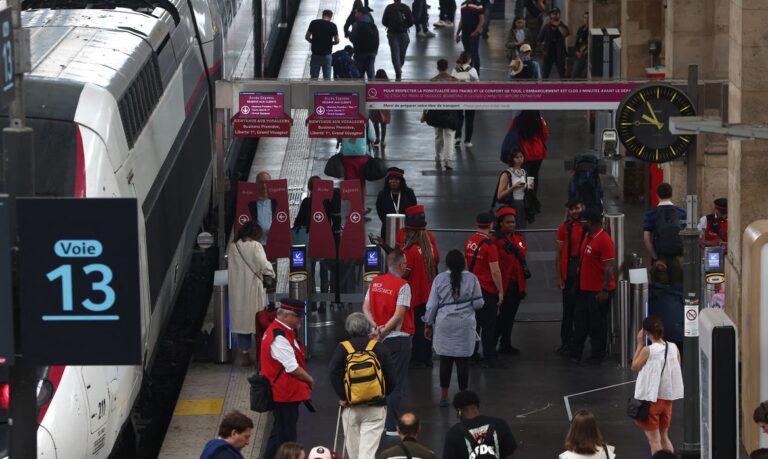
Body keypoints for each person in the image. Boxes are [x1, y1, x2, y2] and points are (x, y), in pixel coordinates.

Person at [329, 313, 396, 459]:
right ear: (367, 328)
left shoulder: (343, 348)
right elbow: (392, 377)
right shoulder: (378, 347)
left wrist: (344, 397)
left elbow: (333, 373)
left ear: (348, 329)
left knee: (353, 453)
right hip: (375, 407)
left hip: (350, 407)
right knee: (367, 453)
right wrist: (382, 395)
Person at [362, 249, 413, 436]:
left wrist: (376, 327)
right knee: (395, 382)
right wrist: (385, 331)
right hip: (398, 340)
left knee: (378, 380)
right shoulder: (403, 286)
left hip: (377, 340)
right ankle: (391, 425)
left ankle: (375, 421)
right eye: (405, 262)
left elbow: (365, 307)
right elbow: (399, 314)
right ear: (401, 265)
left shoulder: (375, 282)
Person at [424, 250, 484, 406]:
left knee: (445, 360)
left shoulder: (439, 279)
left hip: (445, 324)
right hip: (465, 325)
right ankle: (463, 396)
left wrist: (428, 323)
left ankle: (444, 397)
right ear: (463, 262)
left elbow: (431, 305)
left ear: (447, 263)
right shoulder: (472, 279)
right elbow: (478, 303)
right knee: (463, 361)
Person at [260, 299, 314, 459]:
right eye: (298, 316)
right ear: (287, 316)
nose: (300, 320)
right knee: (287, 437)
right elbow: (292, 367)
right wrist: (309, 379)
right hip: (284, 394)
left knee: (278, 433)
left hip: (285, 393)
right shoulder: (279, 336)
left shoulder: (281, 331)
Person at [631, 315, 684, 455]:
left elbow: (635, 366)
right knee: (664, 437)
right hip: (667, 400)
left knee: (654, 441)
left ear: (646, 333)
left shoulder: (648, 350)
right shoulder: (673, 348)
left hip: (651, 401)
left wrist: (639, 344)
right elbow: (677, 368)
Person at [570, 208, 615, 364]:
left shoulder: (604, 240)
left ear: (590, 222)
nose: (580, 223)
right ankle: (576, 352)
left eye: (583, 220)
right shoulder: (588, 237)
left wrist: (604, 289)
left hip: (597, 291)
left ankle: (598, 355)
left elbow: (609, 267)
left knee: (597, 324)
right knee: (581, 321)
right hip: (585, 289)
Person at [227, 221, 275, 366]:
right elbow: (264, 265)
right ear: (255, 234)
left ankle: (244, 355)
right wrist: (271, 273)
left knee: (242, 323)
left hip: (237, 290)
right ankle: (261, 356)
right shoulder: (255, 246)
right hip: (253, 289)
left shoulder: (233, 247)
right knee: (258, 321)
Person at [464, 212, 504, 367]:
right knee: (488, 324)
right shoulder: (489, 245)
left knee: (474, 323)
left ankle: (472, 353)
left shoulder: (469, 242)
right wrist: (500, 291)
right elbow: (495, 271)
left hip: (472, 289)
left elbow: (467, 266)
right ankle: (489, 356)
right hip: (486, 290)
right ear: (491, 225)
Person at [400, 215, 437, 369]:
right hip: (429, 294)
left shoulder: (410, 251)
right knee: (427, 326)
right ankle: (427, 358)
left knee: (415, 328)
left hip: (414, 295)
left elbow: (405, 273)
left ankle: (416, 360)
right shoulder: (430, 249)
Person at [493, 207, 528, 356]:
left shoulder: (518, 238)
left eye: (513, 222)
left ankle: (504, 343)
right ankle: (494, 341)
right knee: (505, 316)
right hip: (502, 284)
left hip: (516, 283)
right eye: (508, 222)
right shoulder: (494, 240)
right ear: (500, 224)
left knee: (509, 315)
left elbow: (522, 253)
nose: (512, 225)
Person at [443, 390, 518, 459]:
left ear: (459, 411)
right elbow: (510, 456)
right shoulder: (500, 424)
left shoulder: (454, 433)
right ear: (477, 406)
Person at [555, 198, 585, 355]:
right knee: (568, 311)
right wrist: (559, 276)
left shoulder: (587, 226)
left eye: (577, 208)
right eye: (572, 209)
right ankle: (566, 342)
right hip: (570, 273)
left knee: (580, 312)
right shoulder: (564, 228)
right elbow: (558, 254)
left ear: (582, 207)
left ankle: (577, 343)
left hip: (583, 273)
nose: (575, 211)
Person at [643, 183, 687, 285]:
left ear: (657, 195)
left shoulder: (651, 214)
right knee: (678, 289)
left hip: (660, 258)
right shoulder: (682, 213)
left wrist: (656, 259)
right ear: (671, 195)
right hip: (679, 258)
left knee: (661, 289)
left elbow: (646, 239)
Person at [421, 59, 458, 170]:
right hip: (450, 111)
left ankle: (438, 157)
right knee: (449, 137)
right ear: (447, 67)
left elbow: (427, 100)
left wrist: (424, 114)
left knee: (438, 136)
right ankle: (448, 161)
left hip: (436, 112)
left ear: (437, 67)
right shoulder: (454, 80)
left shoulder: (432, 81)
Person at [509, 110, 548, 191]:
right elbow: (545, 136)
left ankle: (522, 194)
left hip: (522, 153)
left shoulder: (516, 120)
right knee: (533, 175)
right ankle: (532, 194)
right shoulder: (540, 120)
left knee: (521, 175)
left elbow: (511, 135)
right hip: (537, 153)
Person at [375, 167, 418, 237]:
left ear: (401, 181)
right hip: (388, 229)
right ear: (388, 181)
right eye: (391, 179)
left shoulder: (409, 193)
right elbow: (379, 210)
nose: (393, 182)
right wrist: (386, 222)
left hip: (406, 229)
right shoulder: (382, 194)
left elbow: (413, 209)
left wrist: (407, 223)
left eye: (396, 179)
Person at [451, 51, 479, 148]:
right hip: (470, 98)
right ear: (469, 60)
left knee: (459, 117)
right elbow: (477, 84)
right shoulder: (473, 70)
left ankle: (457, 137)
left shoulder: (455, 70)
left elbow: (451, 82)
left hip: (458, 97)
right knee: (469, 119)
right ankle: (467, 141)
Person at [495, 149, 528, 229]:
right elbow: (499, 196)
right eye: (517, 157)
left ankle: (520, 241)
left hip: (523, 203)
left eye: (521, 157)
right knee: (514, 227)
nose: (520, 159)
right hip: (512, 203)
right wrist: (513, 188)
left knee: (522, 226)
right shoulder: (507, 174)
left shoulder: (524, 172)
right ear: (512, 159)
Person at [382, 0, 414, 81]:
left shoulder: (389, 7)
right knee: (401, 55)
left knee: (395, 54)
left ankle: (398, 73)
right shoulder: (405, 7)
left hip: (392, 34)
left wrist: (390, 25)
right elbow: (411, 22)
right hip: (403, 34)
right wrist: (404, 26)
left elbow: (384, 21)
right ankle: (399, 69)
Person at [305, 10, 340, 79]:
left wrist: (314, 42)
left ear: (323, 15)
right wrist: (330, 43)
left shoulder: (314, 23)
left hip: (315, 54)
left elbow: (307, 37)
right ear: (330, 17)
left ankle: (313, 89)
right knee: (327, 78)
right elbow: (337, 41)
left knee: (314, 78)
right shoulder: (333, 26)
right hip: (327, 55)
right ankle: (325, 89)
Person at [537, 7, 569, 79]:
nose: (555, 15)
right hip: (548, 54)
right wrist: (542, 50)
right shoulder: (546, 26)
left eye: (556, 14)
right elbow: (539, 39)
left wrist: (558, 25)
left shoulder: (562, 25)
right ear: (550, 15)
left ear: (559, 15)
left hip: (560, 54)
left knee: (562, 74)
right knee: (545, 74)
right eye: (553, 14)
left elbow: (565, 34)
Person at [455, 0, 484, 74]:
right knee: (467, 54)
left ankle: (476, 73)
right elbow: (462, 20)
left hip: (473, 34)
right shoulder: (463, 5)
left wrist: (476, 32)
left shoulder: (478, 4)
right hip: (465, 34)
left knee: (474, 53)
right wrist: (458, 33)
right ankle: (468, 71)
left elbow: (481, 20)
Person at [350, 6, 379, 79]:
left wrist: (349, 35)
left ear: (360, 13)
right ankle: (373, 88)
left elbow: (353, 38)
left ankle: (360, 89)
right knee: (371, 71)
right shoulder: (372, 24)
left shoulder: (356, 24)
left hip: (360, 52)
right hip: (372, 51)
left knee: (359, 72)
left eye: (356, 12)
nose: (355, 14)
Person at [248, 171, 275, 246]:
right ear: (256, 183)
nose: (264, 185)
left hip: (272, 244)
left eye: (266, 182)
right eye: (261, 182)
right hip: (255, 245)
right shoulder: (250, 204)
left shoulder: (276, 203)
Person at [370, 70, 393, 145]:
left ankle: (377, 138)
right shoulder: (388, 84)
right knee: (384, 124)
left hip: (376, 106)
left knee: (375, 123)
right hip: (385, 107)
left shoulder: (374, 83)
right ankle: (383, 141)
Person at [571, 12, 589, 79]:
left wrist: (583, 50)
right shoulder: (581, 29)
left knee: (584, 74)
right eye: (585, 18)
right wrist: (577, 52)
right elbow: (576, 43)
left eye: (588, 18)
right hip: (579, 54)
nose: (586, 19)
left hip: (586, 55)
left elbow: (588, 43)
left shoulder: (590, 30)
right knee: (574, 74)